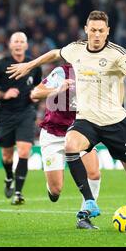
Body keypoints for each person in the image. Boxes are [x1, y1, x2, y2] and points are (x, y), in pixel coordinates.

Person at [7, 11, 126, 229]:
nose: (97, 34)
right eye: (93, 30)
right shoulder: (76, 49)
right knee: (71, 145)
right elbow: (55, 53)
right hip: (86, 121)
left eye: (101, 30)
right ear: (86, 29)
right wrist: (30, 65)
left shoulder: (117, 53)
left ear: (108, 31)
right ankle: (89, 203)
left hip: (115, 122)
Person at [30, 63, 101, 229]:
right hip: (53, 134)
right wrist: (57, 90)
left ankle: (84, 217)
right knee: (56, 190)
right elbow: (36, 93)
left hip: (79, 132)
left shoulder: (96, 73)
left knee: (94, 173)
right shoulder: (62, 72)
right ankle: (51, 188)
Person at [0, 32, 42, 205]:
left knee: (24, 151)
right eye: (15, 41)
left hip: (26, 113)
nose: (18, 44)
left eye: (21, 41)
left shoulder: (33, 65)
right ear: (10, 45)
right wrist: (3, 94)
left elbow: (39, 86)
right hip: (6, 114)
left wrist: (36, 95)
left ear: (26, 45)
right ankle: (9, 177)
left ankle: (18, 192)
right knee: (7, 156)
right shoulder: (0, 65)